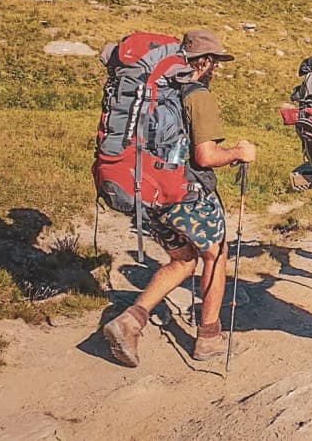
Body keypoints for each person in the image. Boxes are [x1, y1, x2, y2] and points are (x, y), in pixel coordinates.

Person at [102, 29, 256, 367]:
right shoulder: (197, 94)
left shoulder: (161, 88)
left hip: (151, 191)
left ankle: (131, 321)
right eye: (214, 62)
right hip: (186, 191)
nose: (216, 69)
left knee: (184, 259)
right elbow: (205, 156)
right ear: (204, 62)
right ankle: (209, 337)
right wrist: (239, 153)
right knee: (215, 253)